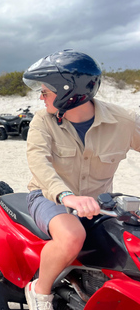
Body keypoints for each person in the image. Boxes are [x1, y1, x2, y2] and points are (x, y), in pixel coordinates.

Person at [22, 49, 140, 310]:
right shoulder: (43, 120)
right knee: (72, 236)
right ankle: (39, 291)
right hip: (49, 197)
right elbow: (38, 162)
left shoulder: (124, 121)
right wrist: (67, 196)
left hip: (100, 203)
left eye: (45, 91)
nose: (41, 97)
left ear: (68, 92)